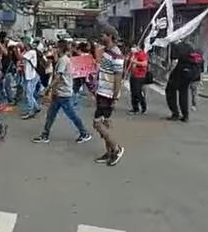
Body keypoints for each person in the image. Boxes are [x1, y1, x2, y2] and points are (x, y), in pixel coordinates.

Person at [32, 40, 92, 144]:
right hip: (59, 93)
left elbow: (58, 77)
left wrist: (47, 89)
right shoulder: (63, 59)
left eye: (56, 48)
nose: (54, 49)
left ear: (60, 48)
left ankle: (84, 133)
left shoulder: (63, 60)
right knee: (51, 115)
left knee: (71, 115)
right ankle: (45, 135)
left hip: (63, 93)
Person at [93, 25, 125, 167]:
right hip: (101, 92)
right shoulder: (107, 51)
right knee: (105, 123)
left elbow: (118, 76)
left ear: (110, 36)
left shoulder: (117, 54)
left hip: (108, 94)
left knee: (97, 123)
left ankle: (117, 148)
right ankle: (109, 152)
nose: (101, 37)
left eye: (103, 35)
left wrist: (115, 96)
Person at [165, 42, 197, 123]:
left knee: (170, 91)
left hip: (178, 72)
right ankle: (185, 115)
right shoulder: (189, 46)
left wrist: (168, 72)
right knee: (183, 93)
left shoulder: (175, 46)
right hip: (189, 72)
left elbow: (174, 61)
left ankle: (175, 113)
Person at [20, 36, 41, 120]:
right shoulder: (31, 51)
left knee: (29, 94)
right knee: (29, 93)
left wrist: (17, 50)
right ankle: (36, 107)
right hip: (31, 75)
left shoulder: (31, 52)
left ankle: (30, 111)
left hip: (31, 76)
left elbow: (20, 57)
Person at [127, 46, 148, 115]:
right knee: (133, 92)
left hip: (140, 76)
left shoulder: (142, 54)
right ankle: (135, 108)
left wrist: (135, 61)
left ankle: (143, 106)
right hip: (133, 75)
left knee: (137, 92)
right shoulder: (133, 54)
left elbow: (144, 63)